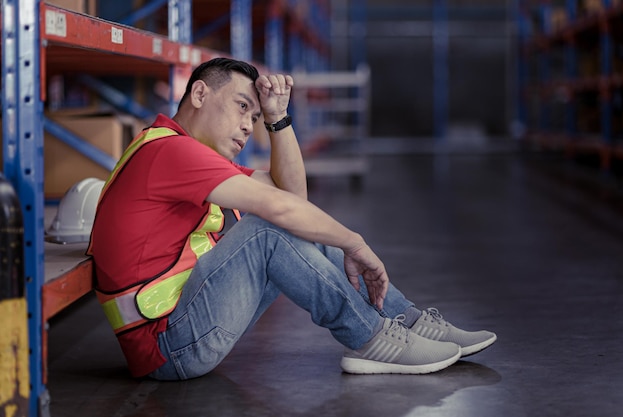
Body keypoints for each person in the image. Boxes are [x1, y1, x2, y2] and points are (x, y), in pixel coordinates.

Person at [88, 57, 496, 381]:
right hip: (168, 346)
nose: (249, 125)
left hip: (180, 329)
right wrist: (354, 243)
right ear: (199, 94)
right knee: (269, 228)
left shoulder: (190, 156)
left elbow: (292, 196)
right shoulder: (170, 152)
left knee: (291, 223)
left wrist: (277, 118)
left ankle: (405, 320)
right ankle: (370, 338)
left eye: (254, 117)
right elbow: (281, 209)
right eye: (242, 107)